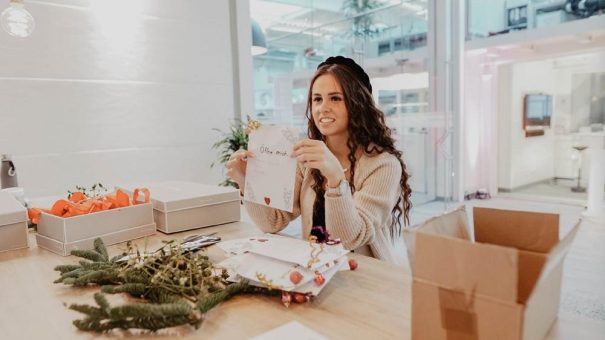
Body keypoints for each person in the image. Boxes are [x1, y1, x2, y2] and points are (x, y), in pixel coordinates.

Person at [226, 56, 412, 265]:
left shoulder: (383, 165)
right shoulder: (307, 158)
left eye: (335, 98)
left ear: (357, 104)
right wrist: (247, 181)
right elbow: (273, 222)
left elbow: (350, 239)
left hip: (364, 275)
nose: (323, 108)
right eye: (317, 99)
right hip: (316, 272)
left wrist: (335, 178)